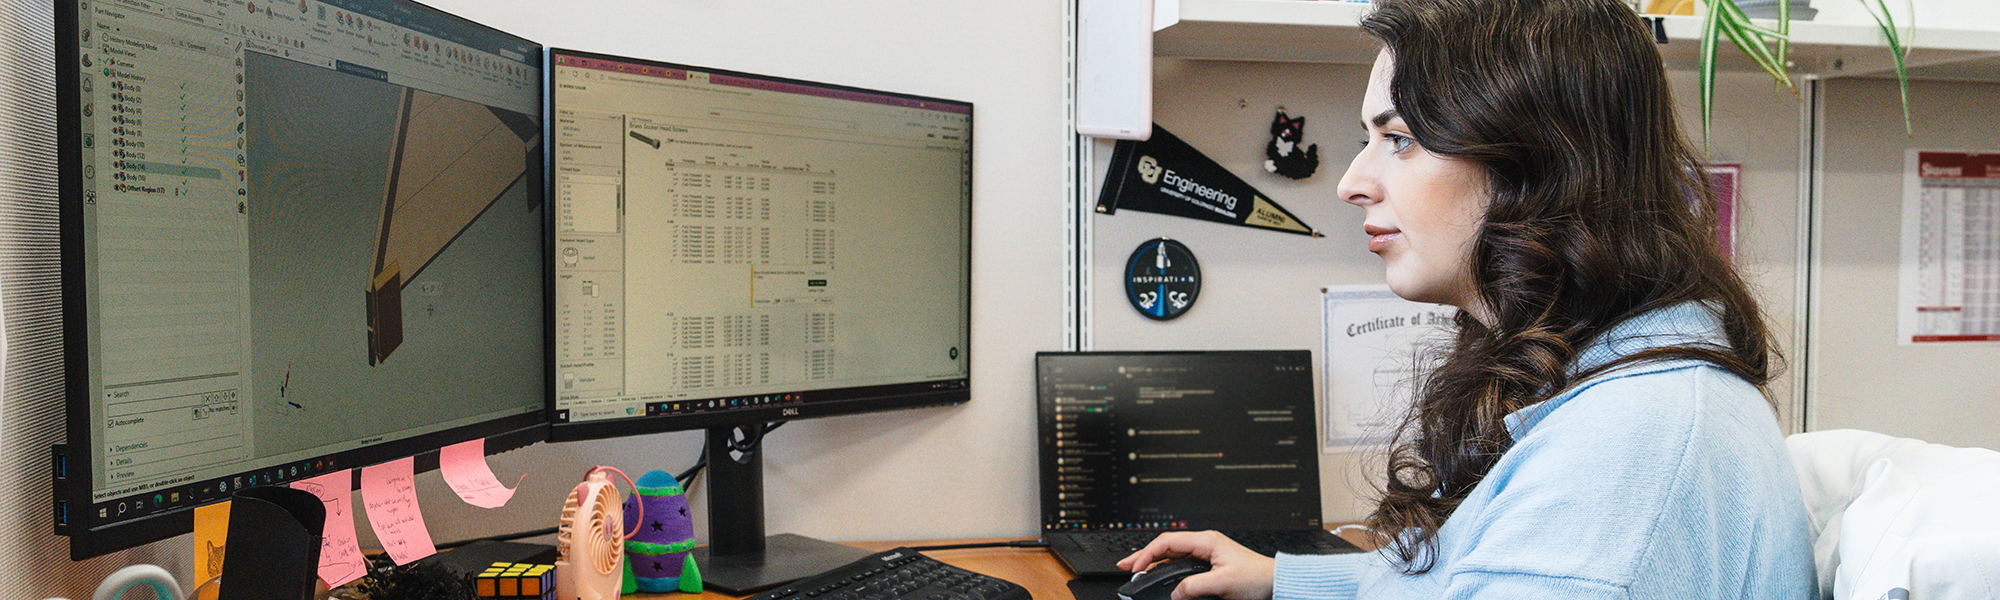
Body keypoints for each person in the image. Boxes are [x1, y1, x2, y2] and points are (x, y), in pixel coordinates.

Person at [1117, 0, 1817, 598]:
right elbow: (1476, 570)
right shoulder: (1619, 380)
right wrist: (1286, 579)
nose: (1353, 182)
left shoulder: (1629, 449)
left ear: (1538, 161)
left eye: (1400, 139)